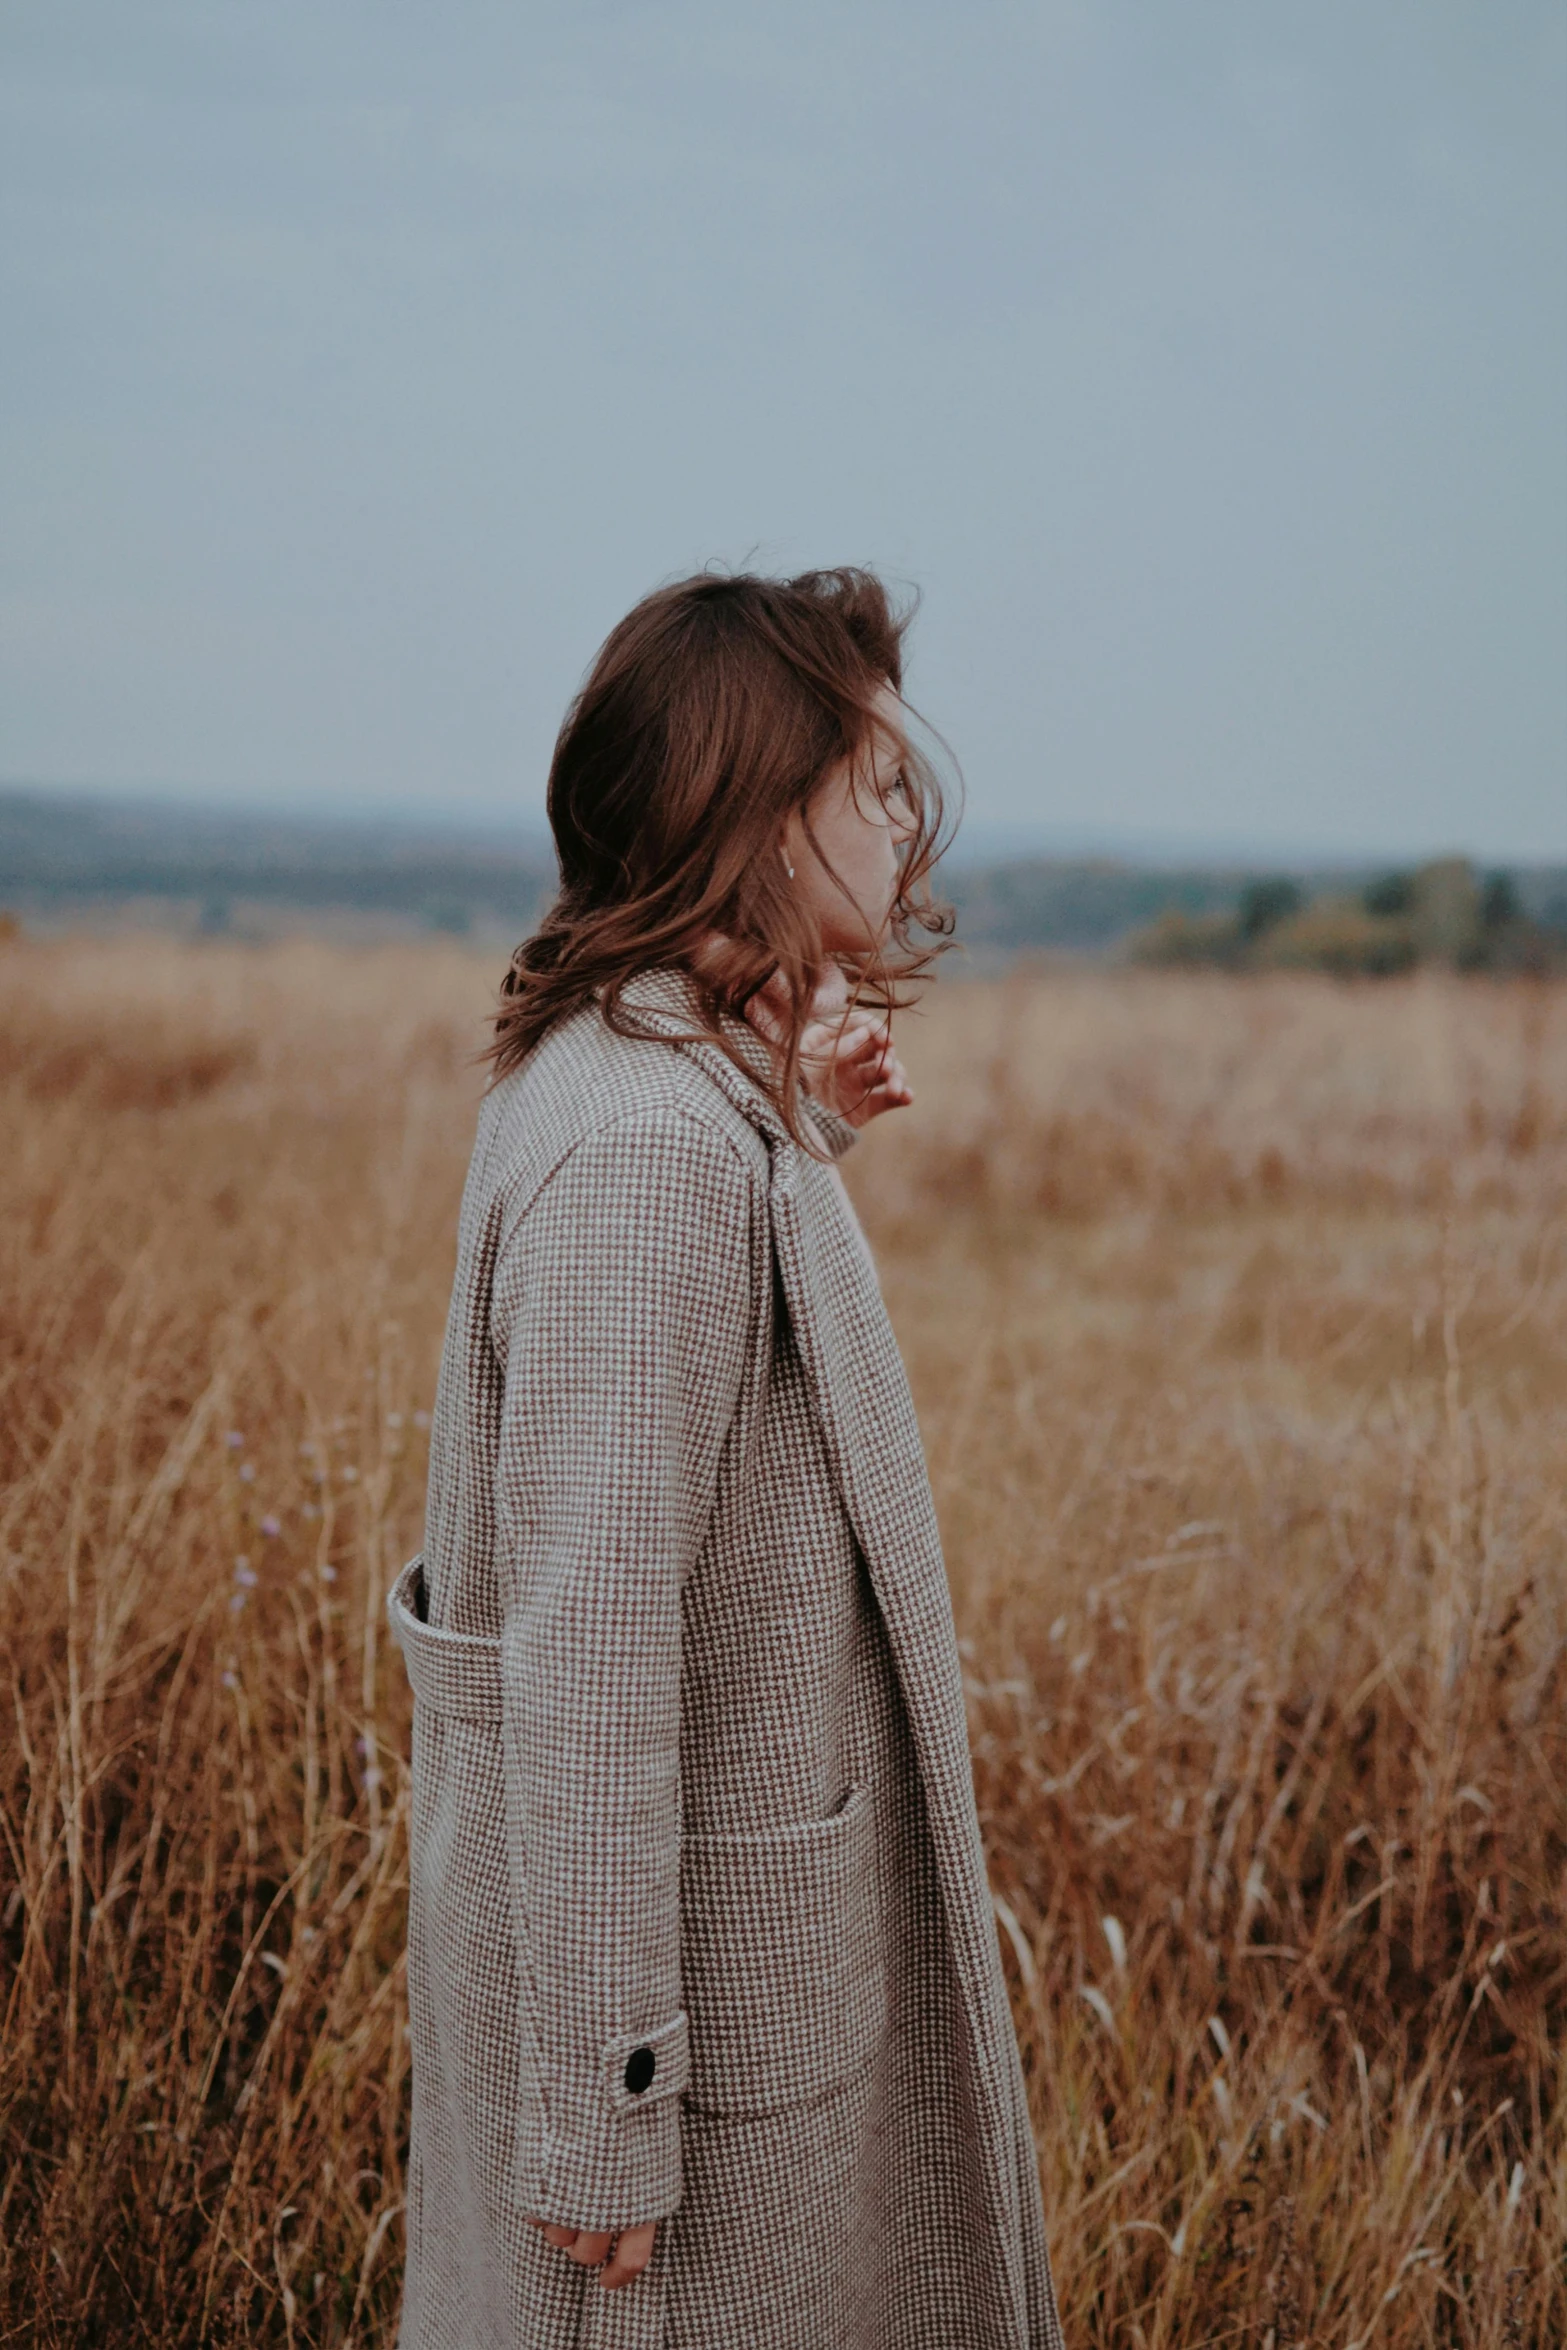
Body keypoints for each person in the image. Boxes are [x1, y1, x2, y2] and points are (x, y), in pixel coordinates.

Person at [387, 568, 1064, 2349]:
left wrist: (796, 1117)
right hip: (687, 2031)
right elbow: (592, 1653)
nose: (903, 813)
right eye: (868, 778)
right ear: (755, 816)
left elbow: (693, 1379)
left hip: (718, 1964)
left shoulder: (663, 1071)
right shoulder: (642, 1155)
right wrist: (601, 2098)